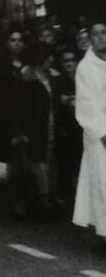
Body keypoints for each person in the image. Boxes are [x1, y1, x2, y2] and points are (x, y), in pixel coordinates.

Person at [12, 44, 59, 218]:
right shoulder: (25, 79)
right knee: (35, 167)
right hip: (34, 130)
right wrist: (19, 132)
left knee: (47, 165)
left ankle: (45, 200)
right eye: (49, 57)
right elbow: (18, 108)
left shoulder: (51, 77)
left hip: (50, 127)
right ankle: (38, 203)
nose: (52, 60)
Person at [73, 20, 106, 250]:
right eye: (95, 34)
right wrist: (103, 133)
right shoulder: (85, 67)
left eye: (104, 33)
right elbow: (87, 103)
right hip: (99, 136)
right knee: (102, 184)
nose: (101, 37)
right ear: (90, 39)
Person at [0, 28, 25, 165]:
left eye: (20, 40)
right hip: (6, 120)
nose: (17, 44)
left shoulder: (30, 65)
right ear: (6, 43)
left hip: (26, 118)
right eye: (13, 40)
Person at [55, 45, 83, 201]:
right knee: (65, 167)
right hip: (64, 131)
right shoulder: (57, 81)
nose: (69, 63)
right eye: (66, 61)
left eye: (73, 60)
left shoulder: (85, 80)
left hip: (83, 130)